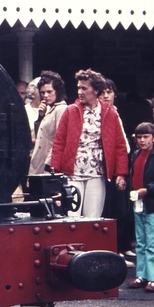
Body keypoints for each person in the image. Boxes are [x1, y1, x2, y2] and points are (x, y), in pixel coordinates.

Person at [50, 69, 129, 218]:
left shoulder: (110, 114)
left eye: (84, 88)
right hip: (72, 174)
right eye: (78, 87)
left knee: (93, 218)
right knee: (71, 217)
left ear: (96, 90)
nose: (80, 91)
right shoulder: (70, 111)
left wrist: (121, 174)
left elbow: (120, 146)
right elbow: (58, 143)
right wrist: (55, 171)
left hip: (96, 174)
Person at [125, 122, 154, 292]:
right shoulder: (136, 155)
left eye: (146, 137)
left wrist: (147, 190)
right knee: (141, 242)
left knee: (152, 242)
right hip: (138, 202)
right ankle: (141, 275)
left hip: (152, 204)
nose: (142, 140)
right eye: (139, 137)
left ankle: (153, 277)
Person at [101, 78, 131, 254]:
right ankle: (112, 251)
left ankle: (122, 247)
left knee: (122, 209)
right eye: (103, 92)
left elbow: (123, 145)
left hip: (120, 165)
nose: (106, 96)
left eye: (109, 92)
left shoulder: (117, 113)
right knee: (109, 210)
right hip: (106, 169)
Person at [28, 71, 67, 175]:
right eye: (42, 92)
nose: (45, 95)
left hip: (48, 164)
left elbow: (60, 140)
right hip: (40, 161)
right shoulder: (51, 109)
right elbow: (40, 136)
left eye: (49, 92)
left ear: (57, 91)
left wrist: (50, 165)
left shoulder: (61, 109)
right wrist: (41, 116)